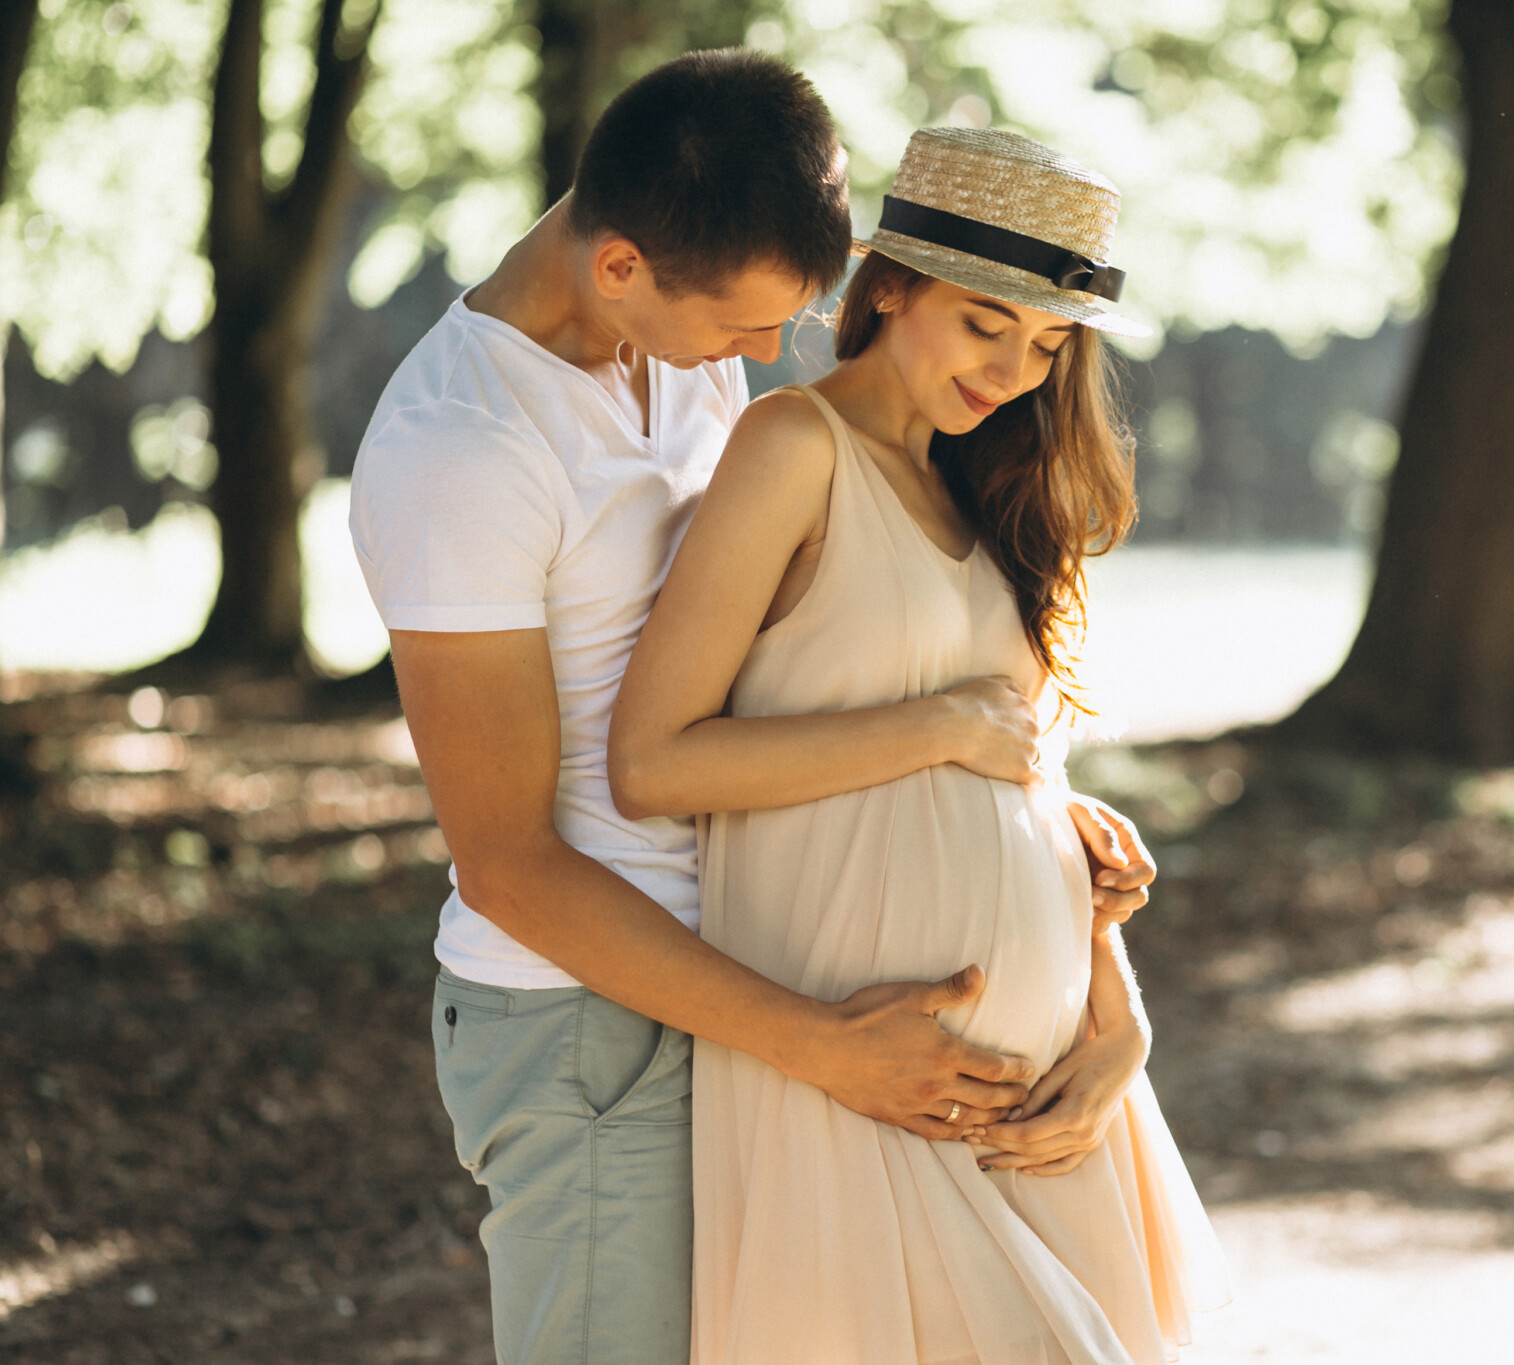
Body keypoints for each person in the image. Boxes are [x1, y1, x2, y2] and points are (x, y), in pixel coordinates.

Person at [349, 55, 1159, 1365]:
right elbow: (507, 863)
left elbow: (800, 658)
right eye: (741, 327)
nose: (769, 356)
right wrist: (819, 1046)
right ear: (620, 266)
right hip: (595, 1022)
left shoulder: (676, 350)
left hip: (759, 986)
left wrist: (1032, 831)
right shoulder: (464, 447)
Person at [610, 126, 1229, 1365]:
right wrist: (934, 728)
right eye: (985, 324)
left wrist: (1122, 1023)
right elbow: (655, 760)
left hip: (1053, 1092)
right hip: (862, 1069)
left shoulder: (972, 488)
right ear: (888, 285)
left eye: (1048, 344)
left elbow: (1014, 767)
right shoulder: (791, 448)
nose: (1012, 370)